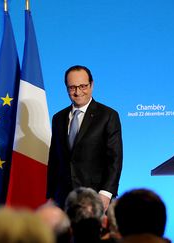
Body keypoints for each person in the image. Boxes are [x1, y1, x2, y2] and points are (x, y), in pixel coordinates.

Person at [46, 65, 123, 211]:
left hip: (96, 198)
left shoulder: (108, 116)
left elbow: (115, 159)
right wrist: (51, 195)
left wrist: (106, 194)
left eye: (83, 86)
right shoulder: (58, 118)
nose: (78, 92)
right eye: (72, 87)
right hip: (63, 199)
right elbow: (54, 159)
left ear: (92, 85)